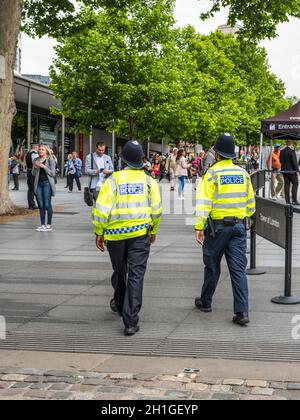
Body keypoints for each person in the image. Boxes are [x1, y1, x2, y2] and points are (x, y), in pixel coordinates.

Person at [92, 140, 162, 336]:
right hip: (140, 234)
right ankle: (130, 320)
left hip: (114, 236)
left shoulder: (113, 180)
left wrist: (99, 231)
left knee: (120, 269)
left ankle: (120, 303)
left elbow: (101, 209)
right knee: (136, 275)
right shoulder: (149, 181)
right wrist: (153, 230)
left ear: (123, 160)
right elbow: (157, 210)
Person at [194, 134, 255, 326]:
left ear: (217, 153)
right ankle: (242, 312)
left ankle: (206, 302)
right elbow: (250, 204)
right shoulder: (243, 174)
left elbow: (204, 203)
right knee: (238, 270)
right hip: (238, 226)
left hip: (217, 228)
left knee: (212, 265)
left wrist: (199, 227)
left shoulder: (211, 174)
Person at [32, 145, 56, 232]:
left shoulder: (50, 160)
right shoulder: (36, 160)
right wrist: (35, 167)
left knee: (47, 204)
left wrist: (44, 167)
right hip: (38, 184)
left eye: (42, 150)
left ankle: (49, 225)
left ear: (46, 151)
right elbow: (33, 173)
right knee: (41, 205)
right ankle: (42, 225)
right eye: (40, 150)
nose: (40, 151)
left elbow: (53, 173)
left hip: (47, 184)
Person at [280, 140, 300, 205]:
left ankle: (287, 201)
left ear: (286, 144)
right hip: (291, 171)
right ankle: (294, 200)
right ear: (291, 144)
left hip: (284, 171)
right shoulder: (292, 151)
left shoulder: (281, 151)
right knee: (295, 183)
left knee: (286, 185)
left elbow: (280, 160)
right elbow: (294, 162)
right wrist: (297, 171)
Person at [25, 143, 39, 209]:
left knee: (30, 189)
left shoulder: (28, 153)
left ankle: (31, 204)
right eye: (38, 147)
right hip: (33, 173)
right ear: (36, 147)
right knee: (34, 188)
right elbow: (36, 164)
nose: (39, 149)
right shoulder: (35, 154)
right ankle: (35, 204)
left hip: (29, 171)